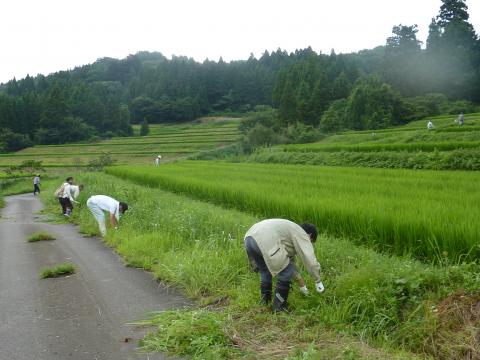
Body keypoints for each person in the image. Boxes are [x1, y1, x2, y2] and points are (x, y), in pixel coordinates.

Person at [244, 219, 324, 312]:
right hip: (265, 239)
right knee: (286, 272)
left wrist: (303, 288)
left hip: (249, 238)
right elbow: (310, 259)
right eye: (311, 242)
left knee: (265, 270)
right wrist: (318, 280)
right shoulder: (301, 233)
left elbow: (289, 262)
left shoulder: (288, 231)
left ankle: (265, 301)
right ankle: (279, 307)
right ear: (309, 235)